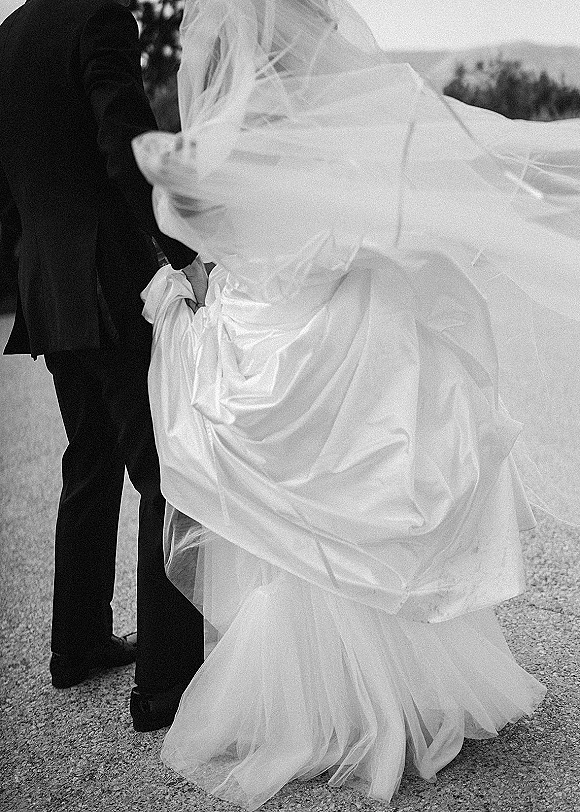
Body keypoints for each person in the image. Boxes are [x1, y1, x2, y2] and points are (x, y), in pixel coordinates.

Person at [134, 0, 580, 806]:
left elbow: (203, 226)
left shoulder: (210, 149)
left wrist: (199, 230)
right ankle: (378, 704)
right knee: (345, 511)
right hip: (319, 325)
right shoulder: (317, 127)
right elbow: (341, 228)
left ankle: (311, 709)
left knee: (288, 534)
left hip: (259, 325)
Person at [0, 0, 209, 732]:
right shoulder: (100, 18)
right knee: (162, 468)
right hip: (107, 279)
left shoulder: (11, 32)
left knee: (89, 456)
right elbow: (125, 151)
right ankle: (166, 681)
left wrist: (26, 264)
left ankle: (76, 643)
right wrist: (183, 256)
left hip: (46, 279)